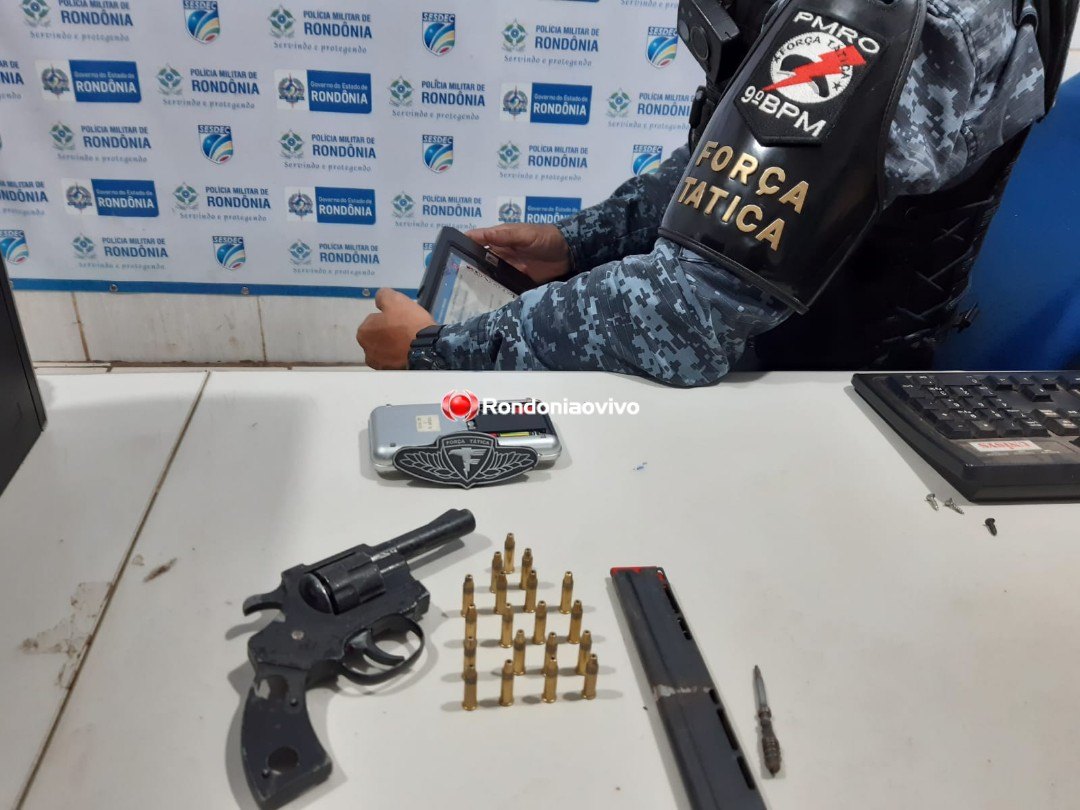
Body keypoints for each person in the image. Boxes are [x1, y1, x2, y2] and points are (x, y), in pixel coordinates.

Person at [358, 0, 1075, 386]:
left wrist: (441, 352)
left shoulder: (876, 16)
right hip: (784, 353)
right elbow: (741, 165)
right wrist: (580, 241)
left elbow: (687, 315)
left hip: (827, 406)